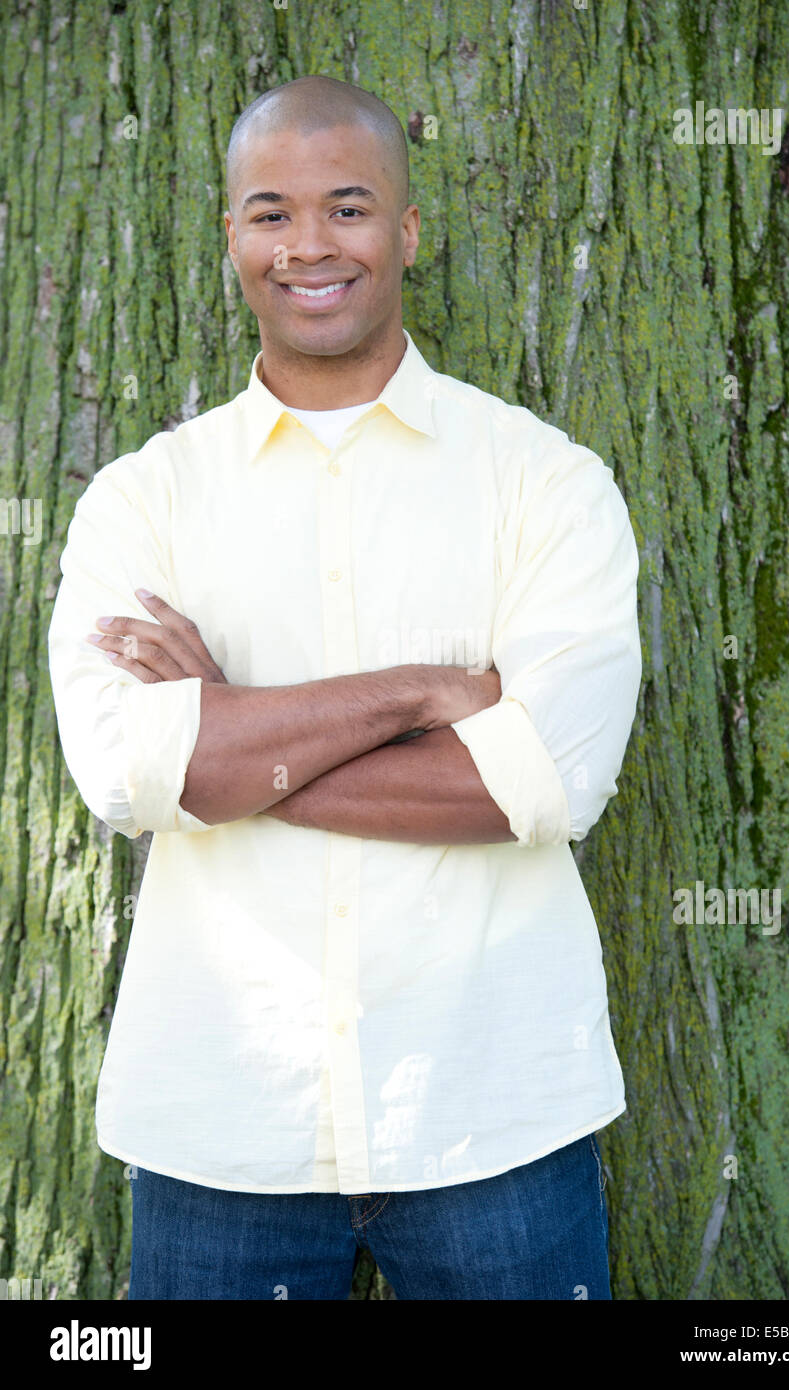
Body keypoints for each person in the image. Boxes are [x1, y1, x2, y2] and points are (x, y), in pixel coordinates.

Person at [46, 74, 642, 1301]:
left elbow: (544, 785)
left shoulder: (544, 481)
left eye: (349, 208)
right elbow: (130, 772)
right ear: (230, 239)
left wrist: (231, 733)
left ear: (409, 232)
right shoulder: (144, 500)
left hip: (492, 1113)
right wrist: (423, 691)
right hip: (223, 1124)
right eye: (270, 213)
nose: (309, 245)